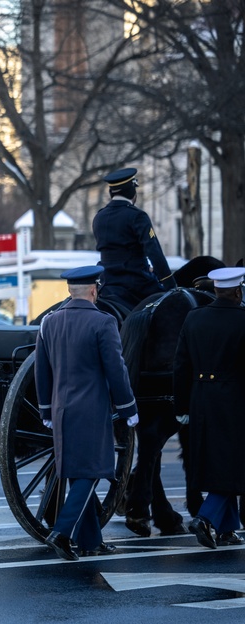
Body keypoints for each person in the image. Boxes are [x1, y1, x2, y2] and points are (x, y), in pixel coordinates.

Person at [35, 266, 138, 561]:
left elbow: (42, 371)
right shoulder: (103, 322)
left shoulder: (48, 322)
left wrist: (45, 409)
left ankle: (91, 540)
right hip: (91, 410)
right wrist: (128, 406)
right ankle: (62, 533)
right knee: (92, 472)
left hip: (60, 409)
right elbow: (116, 370)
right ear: (95, 289)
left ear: (71, 290)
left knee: (77, 472)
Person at [174, 267, 245, 549]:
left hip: (200, 397)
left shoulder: (194, 317)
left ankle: (227, 529)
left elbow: (181, 365)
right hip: (235, 399)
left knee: (218, 461)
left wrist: (181, 406)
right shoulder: (243, 320)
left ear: (215, 289)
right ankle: (205, 517)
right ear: (238, 290)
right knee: (235, 465)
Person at [93, 167, 176, 312]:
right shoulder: (137, 216)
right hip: (136, 283)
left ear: (111, 192)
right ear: (132, 191)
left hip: (106, 282)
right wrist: (170, 284)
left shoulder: (99, 217)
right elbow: (154, 251)